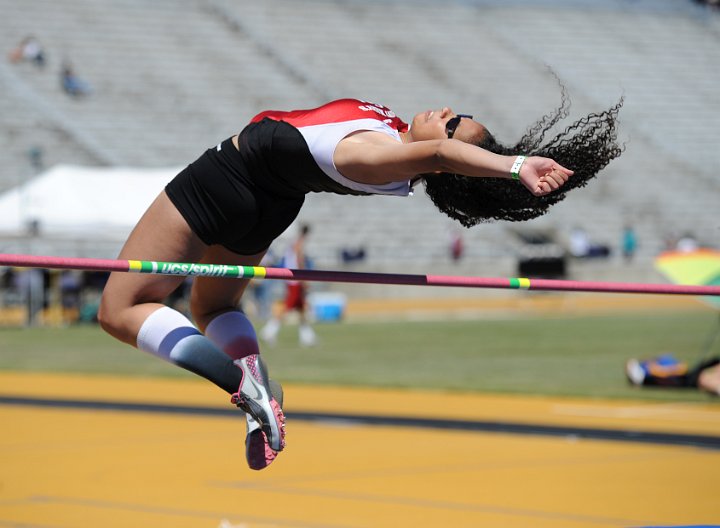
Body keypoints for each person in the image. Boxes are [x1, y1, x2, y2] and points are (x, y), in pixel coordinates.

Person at [98, 91, 624, 470]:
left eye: (452, 122)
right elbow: (438, 151)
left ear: (437, 159)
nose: (445, 111)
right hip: (270, 204)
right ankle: (254, 379)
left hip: (227, 177)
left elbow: (440, 154)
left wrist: (515, 168)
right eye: (458, 114)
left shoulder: (379, 158)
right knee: (213, 308)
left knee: (120, 308)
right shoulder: (391, 138)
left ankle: (241, 386)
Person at [260, 224, 317, 347]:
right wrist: (304, 279)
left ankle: (307, 337)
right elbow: (299, 261)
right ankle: (268, 331)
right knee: (287, 307)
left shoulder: (295, 243)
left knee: (301, 309)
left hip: (292, 280)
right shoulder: (299, 243)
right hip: (295, 280)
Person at [626, 354, 720, 396]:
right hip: (684, 378)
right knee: (703, 378)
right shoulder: (653, 370)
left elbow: (681, 368)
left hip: (686, 377)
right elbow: (680, 368)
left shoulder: (656, 366)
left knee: (708, 371)